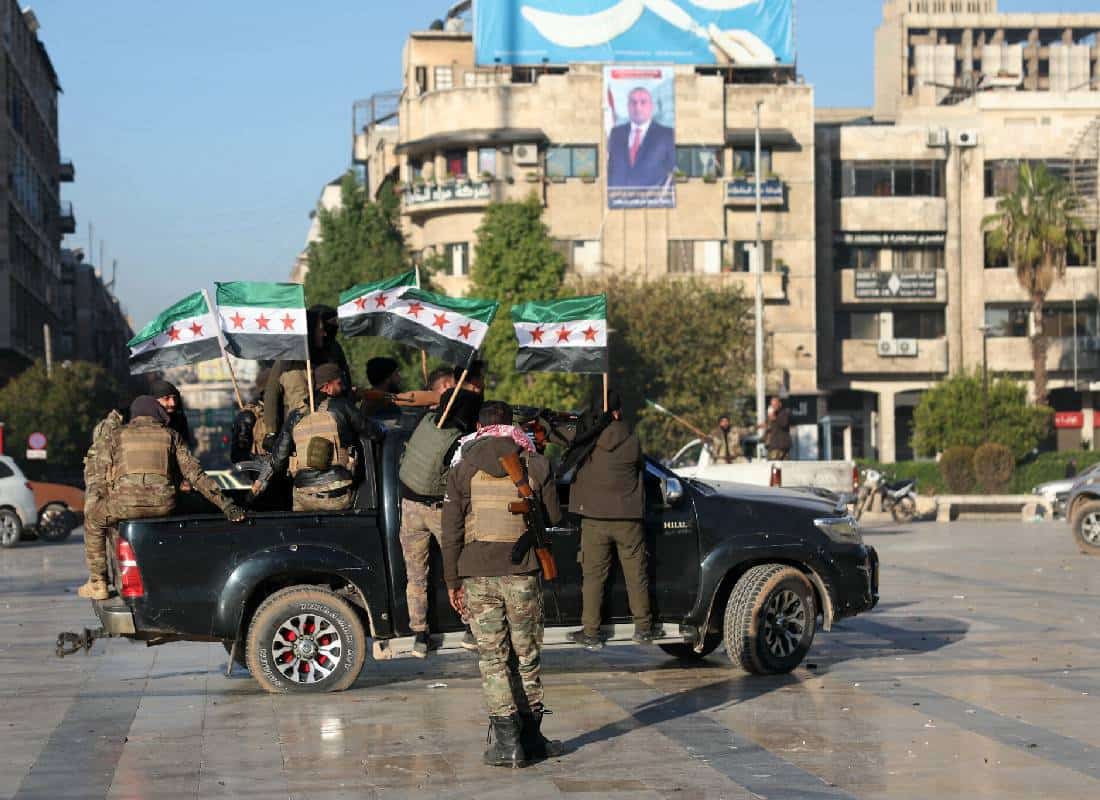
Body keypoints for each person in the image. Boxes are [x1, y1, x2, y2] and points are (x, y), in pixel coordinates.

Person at [441, 401, 563, 767]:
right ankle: (532, 738)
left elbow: (451, 532)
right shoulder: (534, 462)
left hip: (476, 574)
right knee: (526, 654)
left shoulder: (462, 467)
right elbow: (555, 516)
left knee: (493, 658)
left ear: (478, 427)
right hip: (522, 573)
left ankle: (509, 745)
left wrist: (451, 579)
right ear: (511, 426)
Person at [79, 397, 245, 599]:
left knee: (93, 520)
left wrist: (103, 500)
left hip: (123, 505)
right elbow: (196, 475)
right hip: (164, 504)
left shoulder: (115, 435)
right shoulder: (170, 435)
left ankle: (98, 582)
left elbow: (98, 472)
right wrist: (227, 506)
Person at [567, 391, 662, 650]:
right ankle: (643, 628)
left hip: (594, 518)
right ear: (618, 412)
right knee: (636, 575)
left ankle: (591, 632)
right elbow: (642, 469)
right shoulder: (632, 440)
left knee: (593, 577)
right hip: (628, 519)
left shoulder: (588, 440)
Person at [397, 386, 482, 657]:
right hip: (437, 509)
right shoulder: (456, 441)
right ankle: (471, 628)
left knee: (415, 575)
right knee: (462, 566)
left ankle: (420, 635)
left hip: (409, 506)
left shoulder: (425, 423)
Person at [254, 363, 381, 512]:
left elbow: (278, 461)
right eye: (339, 384)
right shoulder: (343, 406)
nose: (344, 388)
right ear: (327, 387)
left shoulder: (295, 415)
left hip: (303, 496)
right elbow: (374, 432)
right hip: (338, 495)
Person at [262, 305, 351, 437]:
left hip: (331, 425)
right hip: (297, 431)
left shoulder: (333, 350)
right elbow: (271, 394)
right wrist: (271, 432)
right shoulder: (289, 359)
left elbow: (345, 382)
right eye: (322, 328)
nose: (325, 333)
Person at [77, 404, 128, 599]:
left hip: (104, 494)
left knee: (96, 526)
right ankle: (107, 581)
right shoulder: (133, 429)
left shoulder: (103, 433)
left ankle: (98, 581)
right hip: (119, 492)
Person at [607, 86, 676, 189]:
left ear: (651, 106)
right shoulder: (616, 133)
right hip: (618, 201)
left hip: (653, 202)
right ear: (628, 106)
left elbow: (674, 172)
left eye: (643, 102)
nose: (638, 107)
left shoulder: (667, 135)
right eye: (633, 102)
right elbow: (611, 170)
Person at [762, 397, 792, 461]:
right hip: (773, 446)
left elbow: (784, 424)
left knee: (776, 466)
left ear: (780, 404)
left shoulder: (784, 413)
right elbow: (768, 428)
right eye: (772, 405)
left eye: (775, 405)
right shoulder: (771, 415)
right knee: (775, 467)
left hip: (780, 446)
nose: (773, 407)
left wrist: (775, 418)